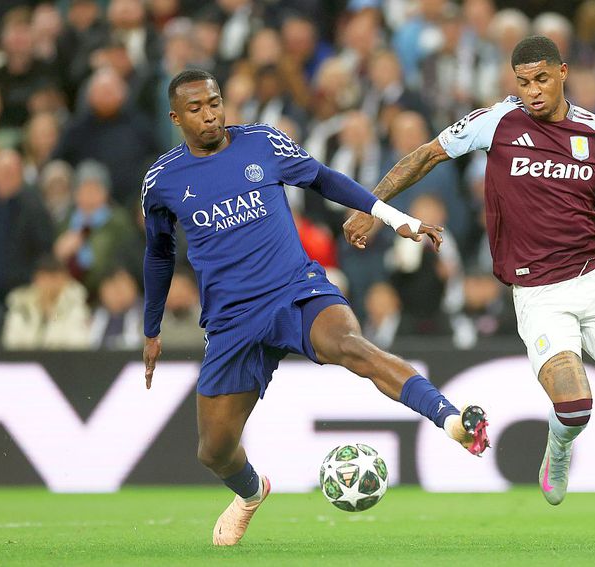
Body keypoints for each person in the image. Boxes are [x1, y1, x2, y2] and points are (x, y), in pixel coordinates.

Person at [344, 36, 595, 545]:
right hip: (538, 293)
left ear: (563, 73)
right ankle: (560, 442)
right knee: (576, 408)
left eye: (541, 79)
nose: (532, 91)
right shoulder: (496, 122)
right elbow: (424, 156)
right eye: (523, 82)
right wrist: (372, 208)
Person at [141, 69, 489, 547]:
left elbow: (324, 179)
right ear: (176, 117)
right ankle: (250, 493)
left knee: (350, 345)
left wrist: (394, 218)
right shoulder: (162, 180)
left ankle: (451, 419)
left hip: (294, 290)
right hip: (231, 319)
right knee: (214, 451)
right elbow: (159, 253)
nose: (211, 115)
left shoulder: (261, 142)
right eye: (197, 109)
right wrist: (151, 327)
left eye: (216, 102)